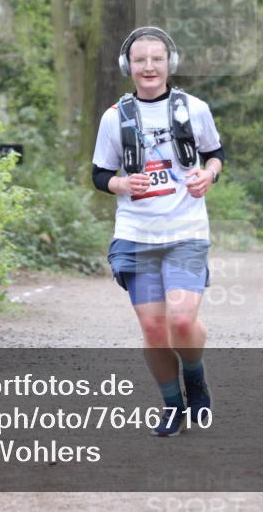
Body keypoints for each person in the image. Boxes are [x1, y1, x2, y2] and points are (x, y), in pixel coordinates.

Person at [92, 26, 225, 437]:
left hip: (186, 230)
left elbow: (215, 154)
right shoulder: (115, 117)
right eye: (139, 60)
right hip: (136, 235)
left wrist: (209, 175)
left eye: (156, 58)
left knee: (181, 321)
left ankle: (196, 379)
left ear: (170, 63)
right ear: (127, 66)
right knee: (153, 329)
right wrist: (121, 184)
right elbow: (99, 173)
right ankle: (172, 403)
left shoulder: (195, 108)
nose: (149, 66)